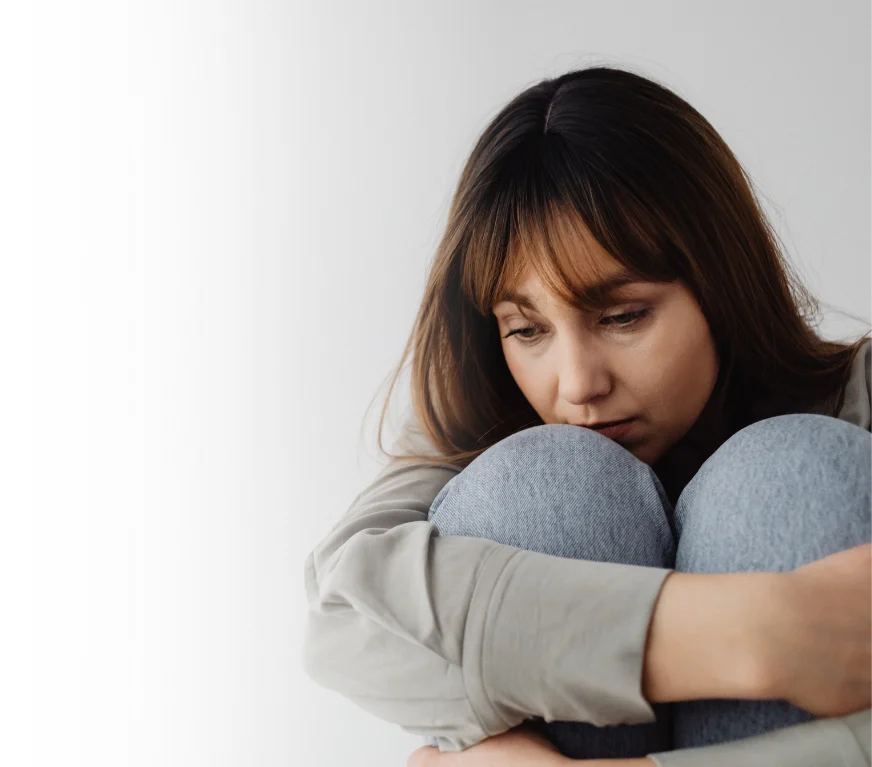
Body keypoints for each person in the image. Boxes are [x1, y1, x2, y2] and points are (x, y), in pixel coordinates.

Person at [301, 66, 872, 767]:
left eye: (623, 315)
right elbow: (346, 616)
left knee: (792, 472)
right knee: (544, 482)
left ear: (721, 283)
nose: (576, 385)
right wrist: (760, 631)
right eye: (527, 329)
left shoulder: (858, 397)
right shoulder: (485, 426)